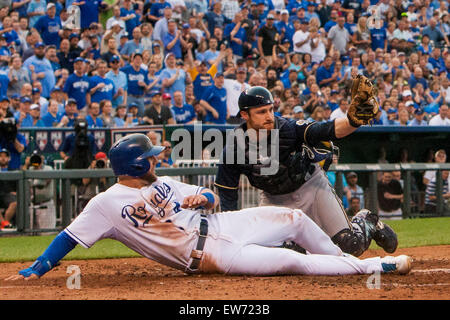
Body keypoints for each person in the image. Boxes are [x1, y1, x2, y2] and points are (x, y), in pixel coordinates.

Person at [5, 133, 412, 281]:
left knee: (295, 219)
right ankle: (374, 268)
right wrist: (40, 267)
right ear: (136, 165)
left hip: (223, 223)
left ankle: (343, 259)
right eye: (151, 157)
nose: (157, 160)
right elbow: (67, 237)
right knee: (294, 264)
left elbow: (214, 197)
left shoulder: (162, 182)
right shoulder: (106, 204)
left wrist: (207, 197)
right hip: (212, 254)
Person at [214, 85, 398, 258]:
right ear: (245, 115)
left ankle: (366, 221)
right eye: (261, 112)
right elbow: (227, 193)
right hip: (273, 199)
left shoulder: (287, 128)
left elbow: (327, 130)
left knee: (351, 245)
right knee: (269, 254)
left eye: (270, 109)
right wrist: (231, 236)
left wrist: (354, 120)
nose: (269, 116)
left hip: (311, 187)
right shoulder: (234, 148)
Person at [22, 150, 56, 229]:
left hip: (45, 205)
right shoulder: (29, 169)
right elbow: (21, 179)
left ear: (42, 158)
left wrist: (38, 167)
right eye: (33, 157)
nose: (36, 160)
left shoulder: (48, 168)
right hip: (32, 206)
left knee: (47, 234)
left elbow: (41, 183)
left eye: (38, 157)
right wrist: (26, 165)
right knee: (31, 235)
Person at [0, 148, 17, 230]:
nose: (3, 158)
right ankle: (4, 223)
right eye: (1, 156)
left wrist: (16, 192)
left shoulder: (12, 171)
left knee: (14, 203)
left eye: (5, 156)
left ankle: (5, 224)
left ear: (9, 158)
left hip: (8, 195)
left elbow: (17, 185)